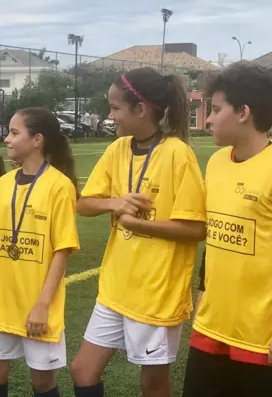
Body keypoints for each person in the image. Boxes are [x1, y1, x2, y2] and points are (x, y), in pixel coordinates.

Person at [70, 68, 207, 397]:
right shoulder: (117, 150)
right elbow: (84, 204)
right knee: (82, 371)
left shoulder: (177, 154)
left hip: (156, 294)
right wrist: (115, 203)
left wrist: (139, 224)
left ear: (141, 109)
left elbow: (195, 228)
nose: (110, 116)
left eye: (116, 108)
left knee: (153, 385)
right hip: (116, 287)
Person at [0, 107, 80, 397]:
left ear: (37, 140)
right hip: (0, 301)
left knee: (42, 383)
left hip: (36, 304)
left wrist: (42, 304)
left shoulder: (59, 186)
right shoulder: (3, 184)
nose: (6, 139)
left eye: (14, 132)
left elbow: (62, 251)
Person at [183, 63, 272, 396]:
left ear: (244, 112)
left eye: (216, 109)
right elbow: (216, 233)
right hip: (211, 327)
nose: (207, 118)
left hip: (259, 337)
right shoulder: (217, 162)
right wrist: (204, 287)